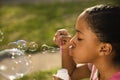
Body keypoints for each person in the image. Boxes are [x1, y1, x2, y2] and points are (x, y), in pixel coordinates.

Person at [53, 4, 120, 80]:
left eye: (79, 38)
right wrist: (65, 49)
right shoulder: (96, 66)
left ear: (104, 49)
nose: (71, 41)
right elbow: (71, 74)